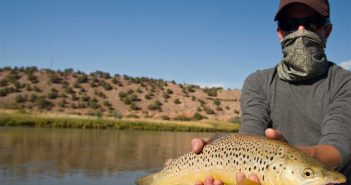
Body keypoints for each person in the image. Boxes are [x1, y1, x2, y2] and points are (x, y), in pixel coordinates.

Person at [191, 0, 351, 184]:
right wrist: (214, 151)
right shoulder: (258, 82)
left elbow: (339, 147)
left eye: (311, 23)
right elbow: (249, 136)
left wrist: (287, 158)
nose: (300, 31)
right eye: (289, 25)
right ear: (280, 33)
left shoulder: (345, 83)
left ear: (327, 31)